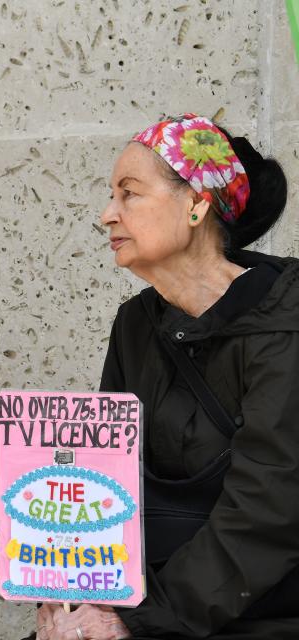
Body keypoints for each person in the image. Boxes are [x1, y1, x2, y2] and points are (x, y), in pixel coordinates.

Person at [32, 113, 299, 639]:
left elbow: (269, 512)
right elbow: (100, 477)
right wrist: (64, 593)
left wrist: (133, 621)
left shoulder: (284, 324)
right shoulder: (137, 323)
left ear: (197, 203)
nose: (107, 215)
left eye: (129, 193)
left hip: (262, 611)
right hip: (156, 601)